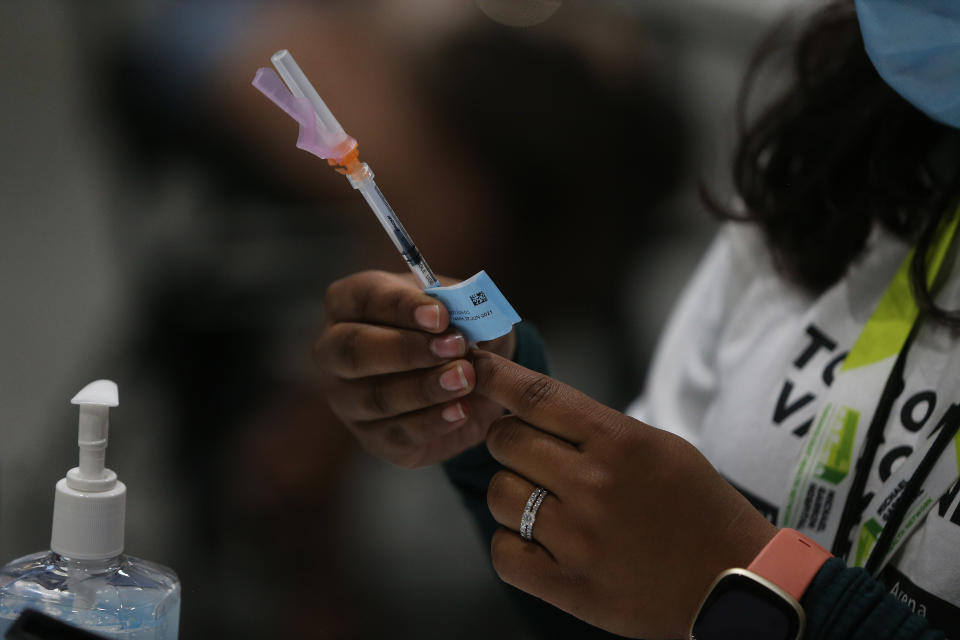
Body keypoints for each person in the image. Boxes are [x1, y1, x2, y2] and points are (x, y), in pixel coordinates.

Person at [314, 1, 960, 638]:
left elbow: (683, 579)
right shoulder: (848, 141)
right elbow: (625, 593)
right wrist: (509, 434)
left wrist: (744, 596)